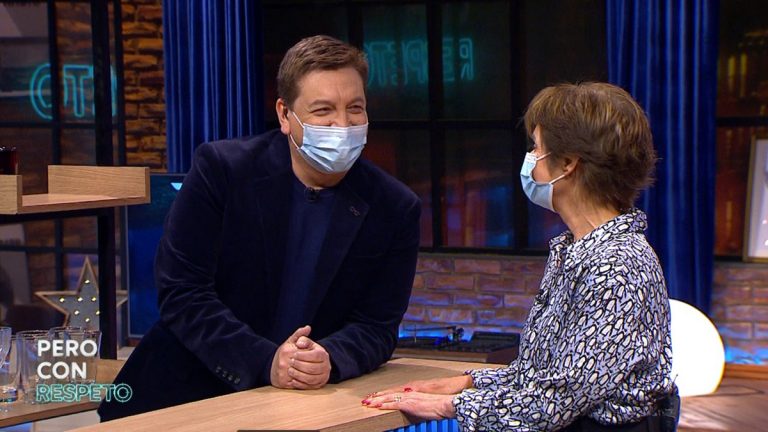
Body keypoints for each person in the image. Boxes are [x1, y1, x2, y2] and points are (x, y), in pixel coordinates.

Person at [99, 35, 421, 421]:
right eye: (323, 110)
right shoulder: (222, 170)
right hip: (179, 399)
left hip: (301, 409)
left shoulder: (394, 207)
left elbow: (376, 326)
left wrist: (329, 359)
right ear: (285, 115)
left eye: (355, 108)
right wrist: (266, 361)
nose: (342, 124)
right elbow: (183, 293)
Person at [364, 82, 678, 431]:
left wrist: (449, 406)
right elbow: (542, 375)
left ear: (568, 163)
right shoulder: (576, 249)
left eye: (537, 148)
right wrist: (467, 382)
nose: (530, 160)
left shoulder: (617, 265)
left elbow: (555, 401)